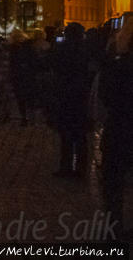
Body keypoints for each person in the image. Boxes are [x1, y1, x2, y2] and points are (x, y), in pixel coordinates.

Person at [100, 19, 133, 239]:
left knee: (113, 184)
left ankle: (113, 228)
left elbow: (106, 96)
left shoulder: (118, 65)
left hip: (120, 129)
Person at [51, 22, 91, 178]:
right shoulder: (86, 50)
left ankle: (65, 166)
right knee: (80, 135)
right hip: (81, 96)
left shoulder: (62, 49)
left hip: (65, 95)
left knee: (66, 134)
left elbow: (54, 66)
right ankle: (81, 168)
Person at [8, 30, 37, 125]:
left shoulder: (14, 49)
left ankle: (25, 117)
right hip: (26, 75)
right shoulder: (28, 47)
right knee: (27, 97)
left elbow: (12, 63)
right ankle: (29, 117)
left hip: (19, 75)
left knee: (21, 98)